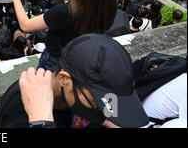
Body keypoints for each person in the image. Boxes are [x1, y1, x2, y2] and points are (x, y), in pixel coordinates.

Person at [18, 34, 150, 128]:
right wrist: (41, 122)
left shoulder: (74, 97)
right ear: (64, 79)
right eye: (99, 103)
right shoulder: (21, 115)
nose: (108, 113)